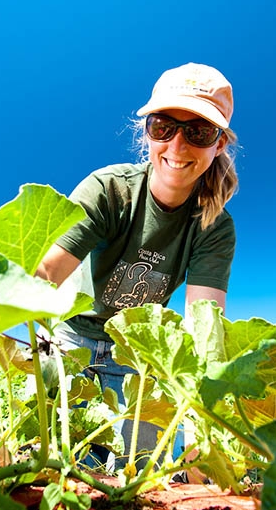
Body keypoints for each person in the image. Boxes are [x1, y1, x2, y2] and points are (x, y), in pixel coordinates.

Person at [36, 62, 238, 468]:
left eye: (198, 132)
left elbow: (204, 333)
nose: (178, 146)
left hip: (135, 357)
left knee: (141, 468)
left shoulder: (213, 227)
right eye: (164, 126)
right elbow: (44, 275)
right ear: (147, 132)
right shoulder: (109, 189)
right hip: (70, 341)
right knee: (52, 459)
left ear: (219, 145)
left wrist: (203, 436)